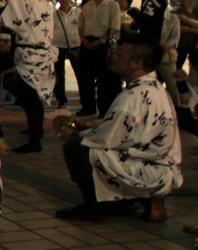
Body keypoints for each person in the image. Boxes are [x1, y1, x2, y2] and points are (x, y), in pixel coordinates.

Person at [56, 34, 183, 223]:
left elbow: (106, 139)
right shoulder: (154, 87)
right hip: (162, 164)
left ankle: (94, 207)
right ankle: (124, 203)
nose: (113, 56)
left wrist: (75, 133)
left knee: (77, 147)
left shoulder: (132, 96)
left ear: (137, 63)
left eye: (120, 55)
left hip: (147, 167)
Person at [0, 0, 57, 153]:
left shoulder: (38, 6)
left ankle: (35, 139)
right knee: (29, 98)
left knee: (31, 98)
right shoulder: (41, 5)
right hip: (32, 55)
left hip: (33, 57)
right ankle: (35, 133)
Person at [77, 0, 121, 117]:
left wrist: (101, 40)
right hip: (87, 44)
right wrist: (83, 40)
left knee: (104, 80)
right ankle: (88, 107)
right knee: (85, 79)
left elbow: (115, 27)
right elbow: (80, 26)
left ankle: (104, 109)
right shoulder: (86, 6)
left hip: (104, 44)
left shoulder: (113, 5)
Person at [53, 0, 82, 109]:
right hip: (58, 45)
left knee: (80, 74)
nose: (64, 0)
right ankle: (61, 99)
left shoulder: (78, 13)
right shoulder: (53, 15)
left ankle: (84, 97)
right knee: (59, 75)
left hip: (75, 45)